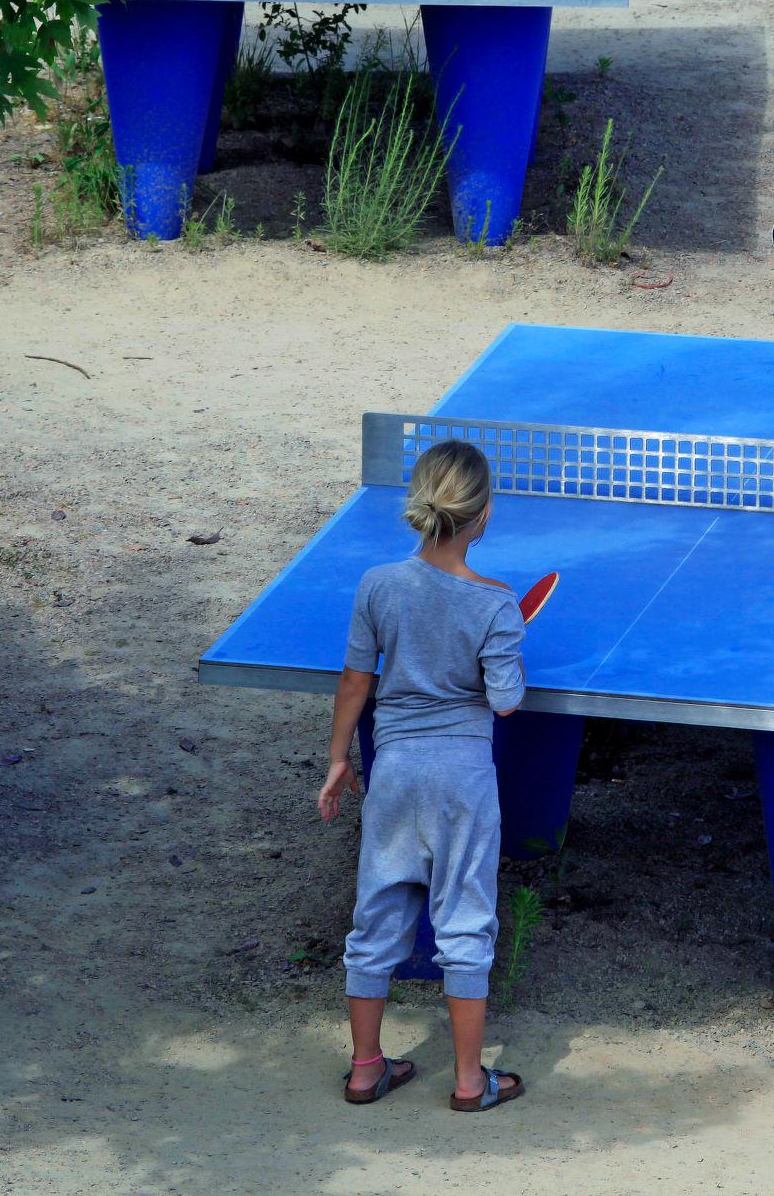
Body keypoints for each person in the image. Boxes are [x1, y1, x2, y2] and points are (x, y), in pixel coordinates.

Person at [317, 438, 528, 1112]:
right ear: (482, 514)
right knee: (465, 921)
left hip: (397, 772)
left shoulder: (378, 584)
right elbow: (504, 700)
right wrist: (508, 645)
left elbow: (356, 680)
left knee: (375, 916)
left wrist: (339, 759)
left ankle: (366, 1068)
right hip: (462, 780)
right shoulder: (496, 604)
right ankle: (470, 1083)